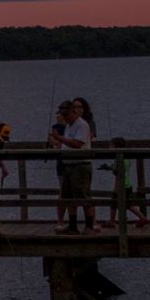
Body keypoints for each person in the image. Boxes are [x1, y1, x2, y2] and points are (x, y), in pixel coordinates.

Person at [49, 99, 96, 232]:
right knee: (68, 197)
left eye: (66, 115)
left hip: (80, 165)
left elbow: (78, 144)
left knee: (84, 196)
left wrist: (59, 138)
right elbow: (67, 143)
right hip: (68, 165)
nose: (64, 118)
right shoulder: (68, 126)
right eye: (62, 115)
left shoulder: (82, 125)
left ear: (73, 112)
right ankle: (73, 226)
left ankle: (89, 226)